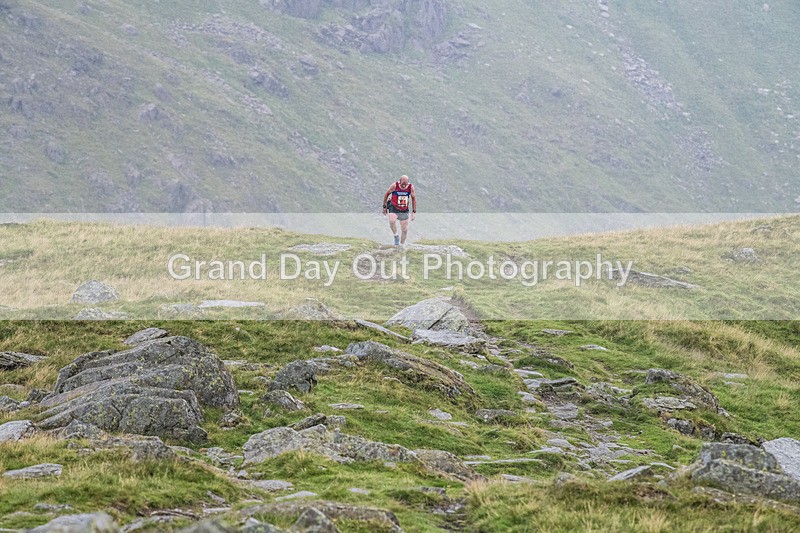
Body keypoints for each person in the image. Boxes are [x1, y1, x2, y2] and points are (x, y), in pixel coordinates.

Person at [382, 175, 416, 246]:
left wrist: (413, 212)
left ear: (408, 183)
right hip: (394, 207)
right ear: (399, 182)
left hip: (404, 209)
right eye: (402, 185)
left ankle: (401, 245)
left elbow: (413, 199)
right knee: (392, 221)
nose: (404, 186)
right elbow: (386, 194)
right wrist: (384, 207)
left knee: (404, 230)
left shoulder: (410, 187)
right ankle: (396, 235)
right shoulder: (394, 186)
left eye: (405, 185)